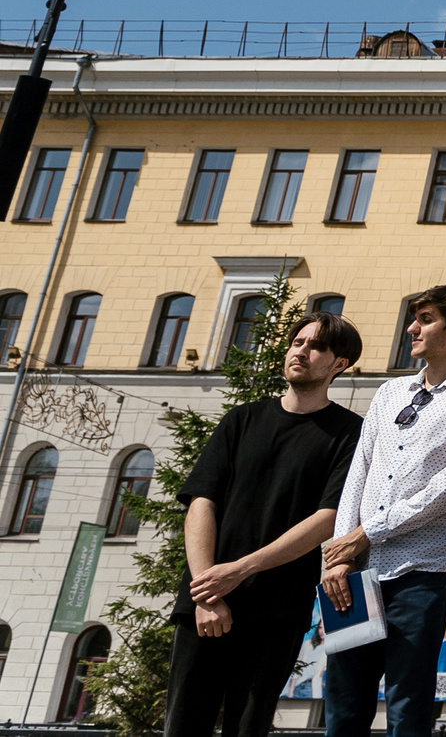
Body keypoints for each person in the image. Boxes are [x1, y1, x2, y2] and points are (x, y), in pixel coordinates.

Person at [170, 310, 366, 737]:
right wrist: (206, 592)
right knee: (183, 725)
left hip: (276, 610)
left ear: (340, 364)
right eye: (298, 342)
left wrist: (240, 570)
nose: (301, 351)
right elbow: (202, 502)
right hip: (203, 605)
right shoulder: (242, 420)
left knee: (248, 727)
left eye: (315, 346)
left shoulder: (350, 433)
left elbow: (328, 518)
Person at [322, 285, 446, 737]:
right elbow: (358, 474)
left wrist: (370, 533)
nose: (412, 328)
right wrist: (340, 553)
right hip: (354, 575)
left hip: (418, 575)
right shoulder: (388, 392)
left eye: (425, 319)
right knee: (344, 702)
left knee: (408, 703)